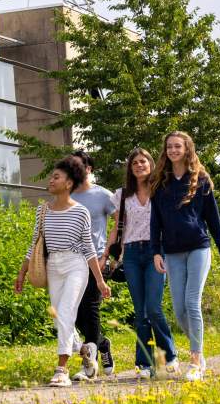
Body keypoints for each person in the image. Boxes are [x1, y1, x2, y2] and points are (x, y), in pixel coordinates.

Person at [15, 158, 111, 388]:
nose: (51, 180)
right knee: (59, 318)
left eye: (56, 177)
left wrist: (99, 280)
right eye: (52, 177)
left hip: (76, 265)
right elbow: (34, 243)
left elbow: (88, 247)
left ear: (69, 183)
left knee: (67, 312)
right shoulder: (43, 210)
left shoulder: (81, 212)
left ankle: (62, 369)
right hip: (53, 266)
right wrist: (21, 272)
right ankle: (85, 350)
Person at [149, 131, 220, 382]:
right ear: (165, 151)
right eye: (169, 147)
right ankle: (200, 350)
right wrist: (156, 251)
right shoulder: (160, 182)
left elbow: (214, 219)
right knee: (178, 309)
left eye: (178, 146)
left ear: (187, 149)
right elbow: (155, 222)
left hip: (199, 247)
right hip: (172, 252)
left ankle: (195, 360)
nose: (173, 150)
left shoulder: (201, 180)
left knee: (191, 302)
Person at [106, 147, 177, 379]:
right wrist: (106, 255)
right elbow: (117, 228)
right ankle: (144, 364)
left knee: (154, 308)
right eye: (135, 162)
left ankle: (169, 357)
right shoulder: (121, 195)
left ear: (151, 164)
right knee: (140, 312)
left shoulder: (161, 190)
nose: (139, 165)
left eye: (143, 161)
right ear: (130, 167)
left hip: (157, 251)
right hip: (133, 255)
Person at [67, 150, 117, 380]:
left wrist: (108, 253)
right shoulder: (66, 195)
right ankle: (102, 343)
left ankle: (90, 365)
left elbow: (120, 222)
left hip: (96, 259)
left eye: (80, 165)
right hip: (70, 261)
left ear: (89, 169)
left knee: (91, 307)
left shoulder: (103, 195)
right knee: (75, 313)